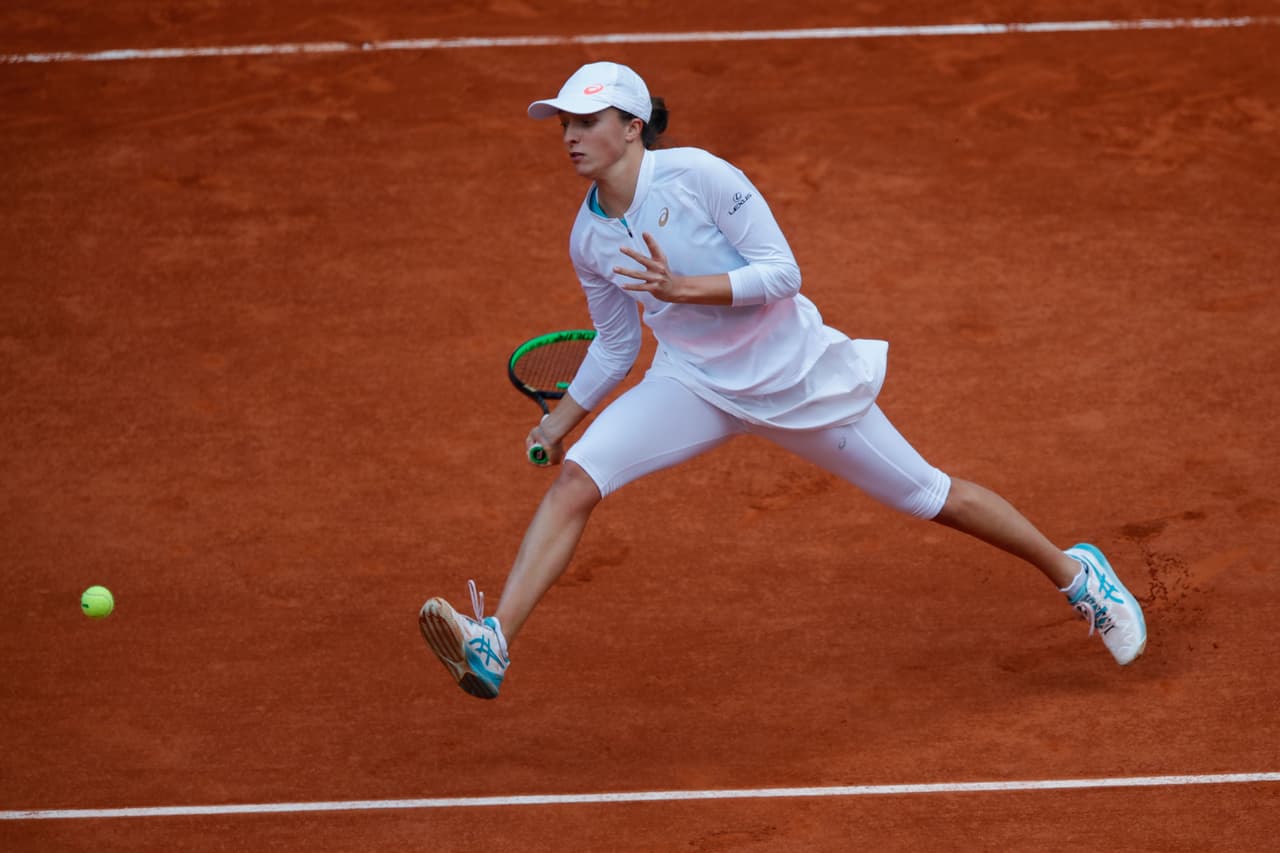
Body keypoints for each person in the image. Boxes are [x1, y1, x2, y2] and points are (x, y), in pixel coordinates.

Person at [417, 61, 1147, 700]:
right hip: (694, 385)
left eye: (587, 120)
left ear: (632, 126)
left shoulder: (701, 176)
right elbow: (614, 341)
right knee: (577, 479)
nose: (571, 135)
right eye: (563, 124)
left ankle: (1079, 574)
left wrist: (683, 288)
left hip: (797, 380)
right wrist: (561, 420)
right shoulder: (588, 236)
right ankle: (495, 639)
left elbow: (782, 273)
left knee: (931, 496)